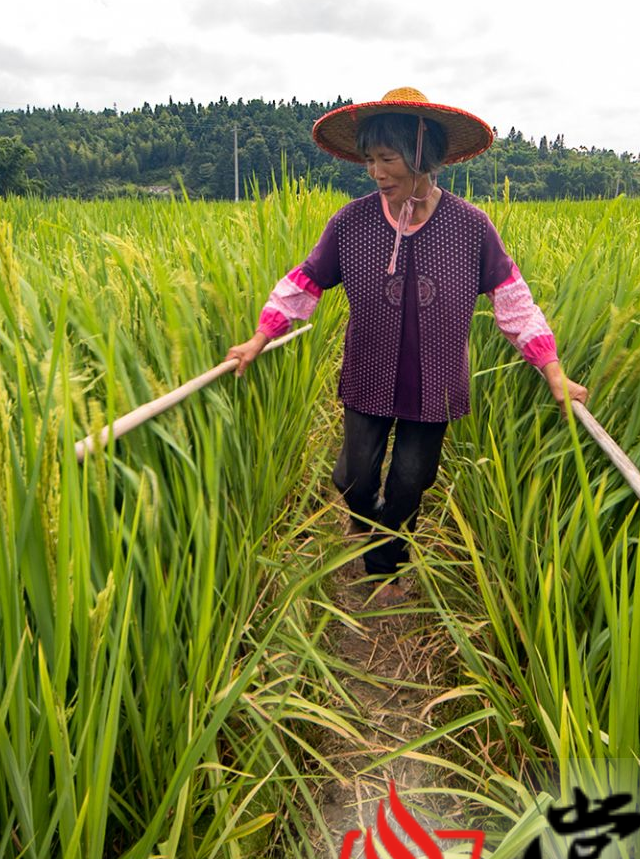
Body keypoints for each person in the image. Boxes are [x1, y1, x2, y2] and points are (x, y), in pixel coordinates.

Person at [227, 86, 589, 604]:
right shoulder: (351, 224)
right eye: (371, 160)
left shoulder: (469, 226)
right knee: (353, 479)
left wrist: (553, 371)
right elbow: (305, 281)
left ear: (422, 157)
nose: (377, 172)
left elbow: (514, 301)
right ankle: (379, 545)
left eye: (388, 159)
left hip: (435, 382)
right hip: (369, 373)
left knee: (409, 484)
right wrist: (260, 337)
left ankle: (383, 573)